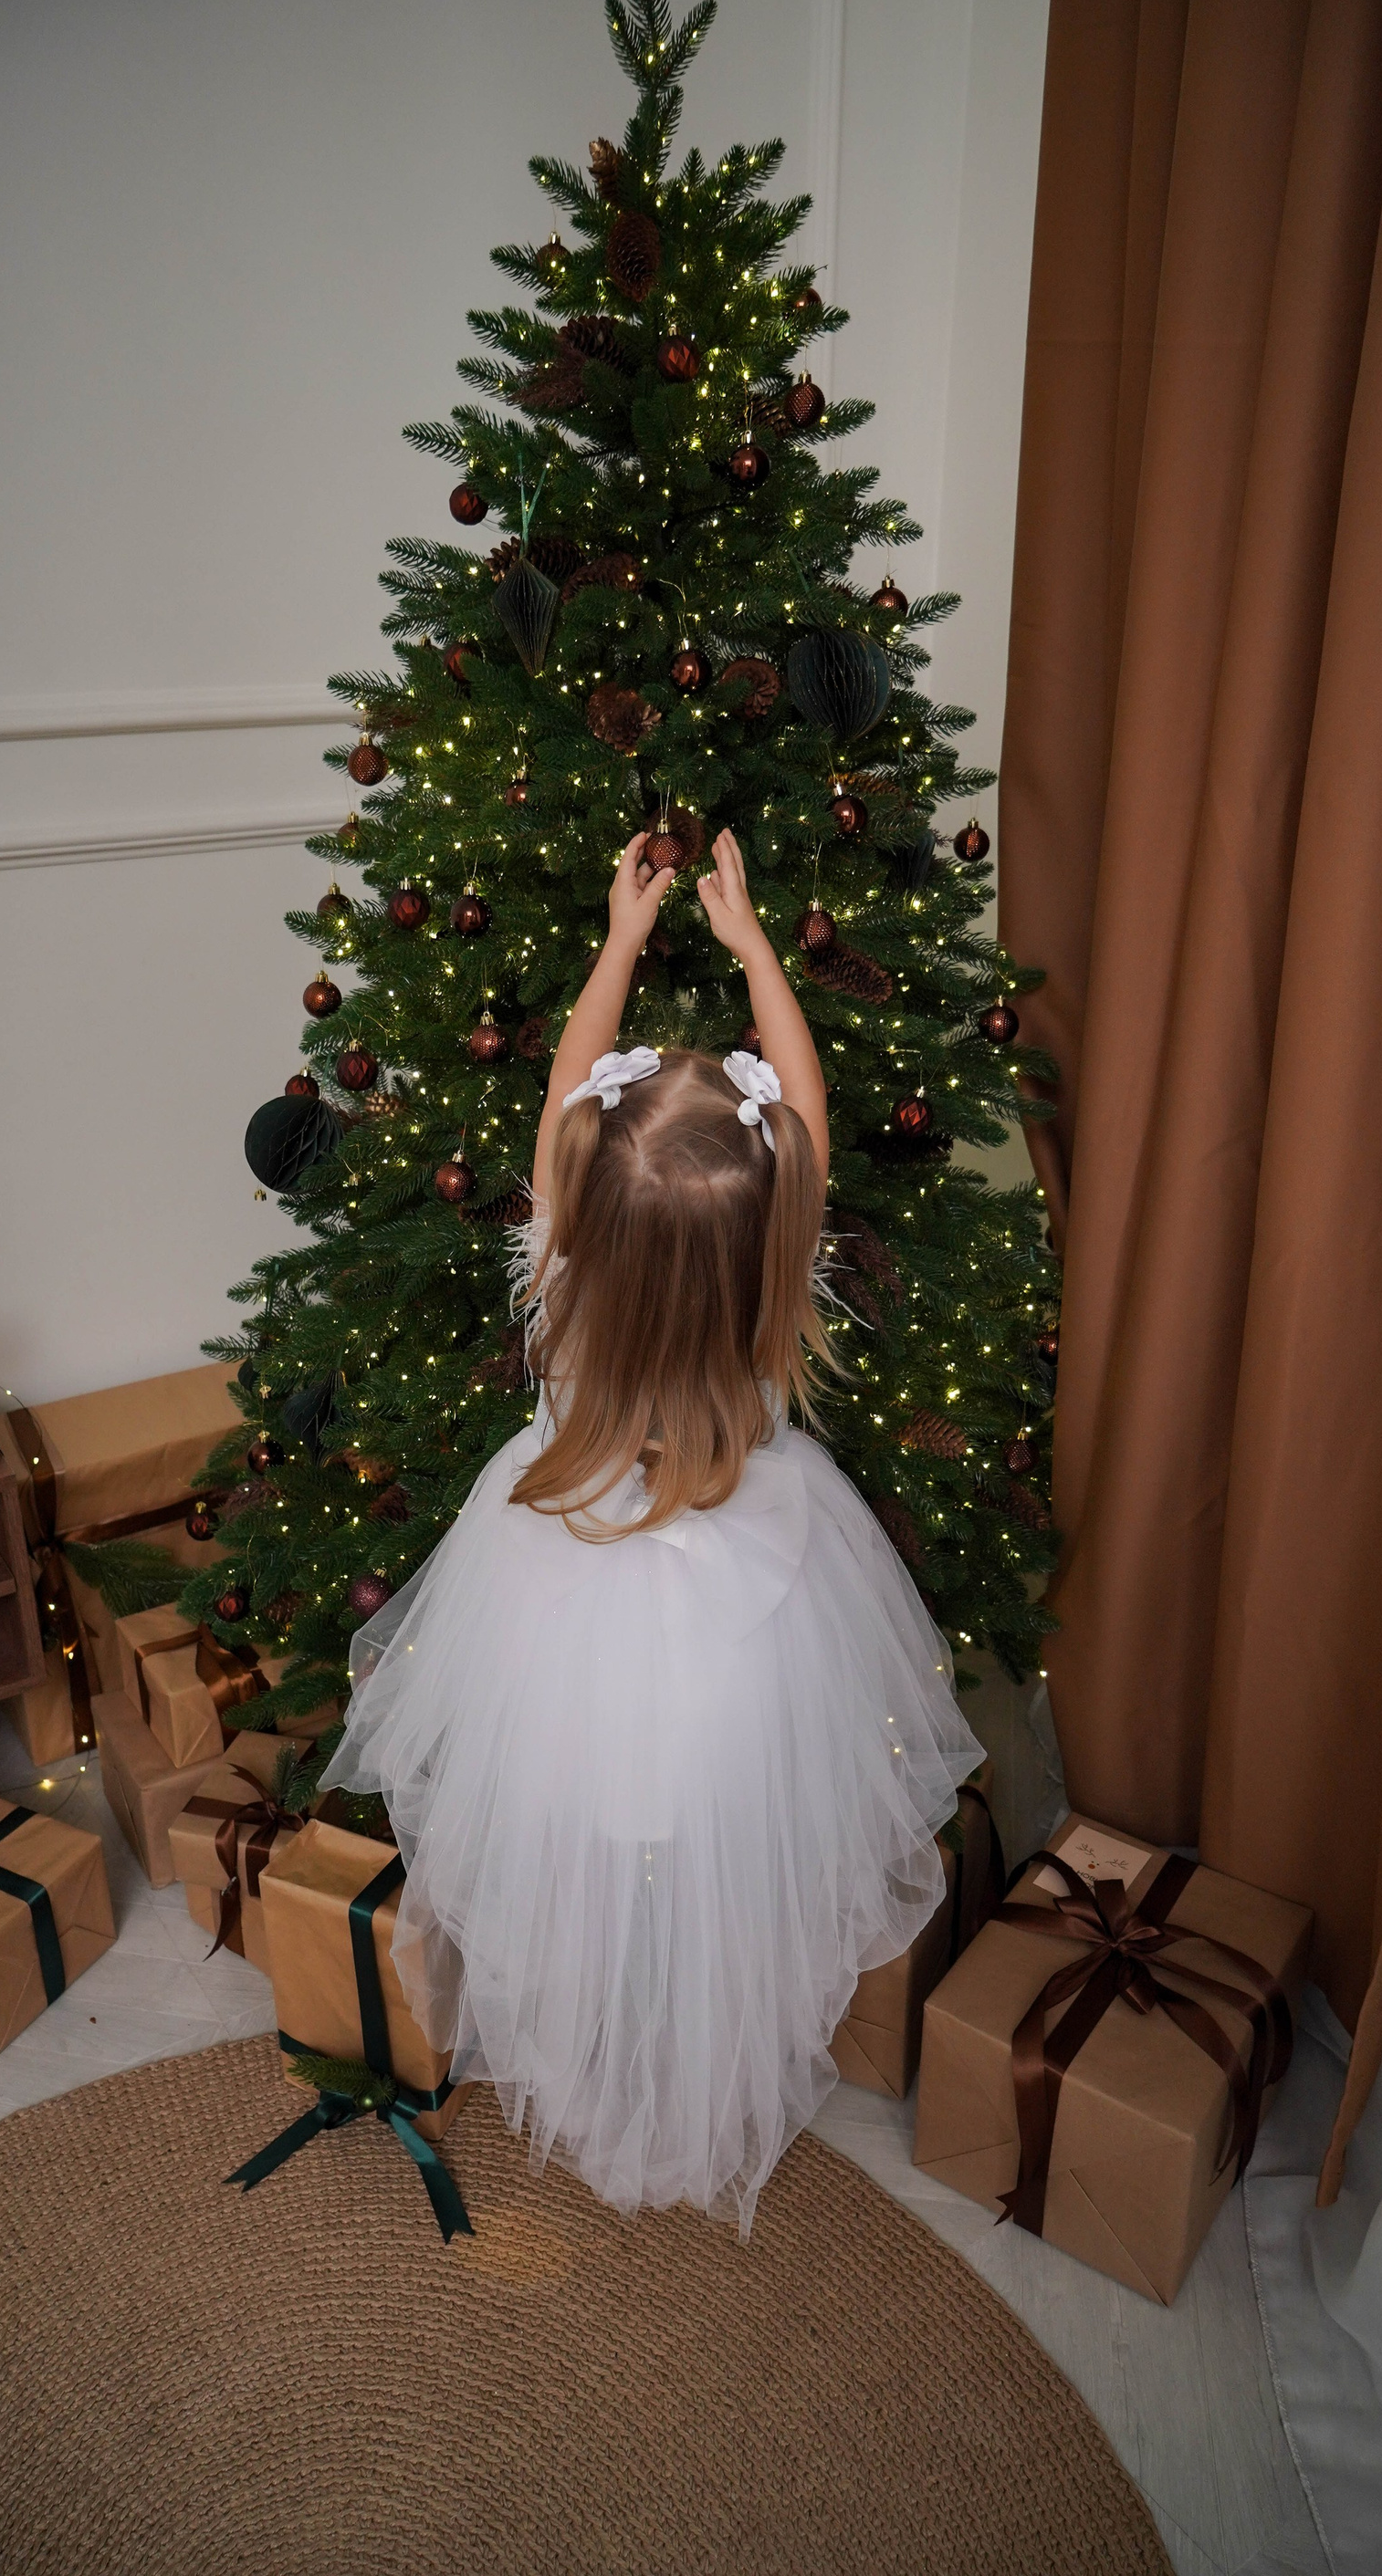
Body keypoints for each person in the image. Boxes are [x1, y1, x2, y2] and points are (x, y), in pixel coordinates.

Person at [323, 829, 981, 2234]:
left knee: (569, 1844)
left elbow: (570, 1091)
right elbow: (803, 1106)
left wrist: (622, 942)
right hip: (750, 1618)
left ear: (579, 1209)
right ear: (773, 1236)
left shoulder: (564, 1275)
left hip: (558, 1608)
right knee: (720, 1862)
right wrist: (754, 948)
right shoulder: (770, 1295)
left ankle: (593, 2040)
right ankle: (696, 2043)